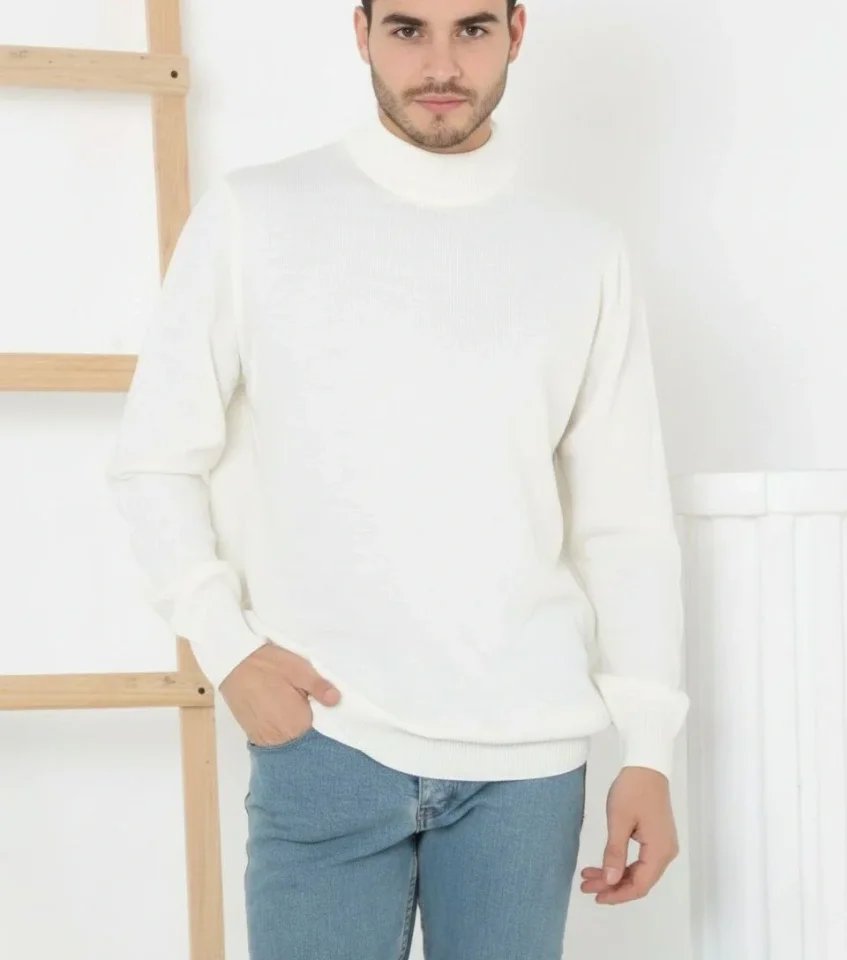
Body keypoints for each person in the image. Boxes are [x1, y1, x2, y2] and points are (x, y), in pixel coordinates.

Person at [104, 2, 690, 957]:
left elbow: (623, 521)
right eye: (409, 30)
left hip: (527, 762)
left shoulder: (582, 250)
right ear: (361, 31)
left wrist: (650, 748)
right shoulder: (257, 215)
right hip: (327, 740)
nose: (441, 64)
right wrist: (229, 650)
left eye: (472, 29)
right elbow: (155, 457)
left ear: (516, 32)